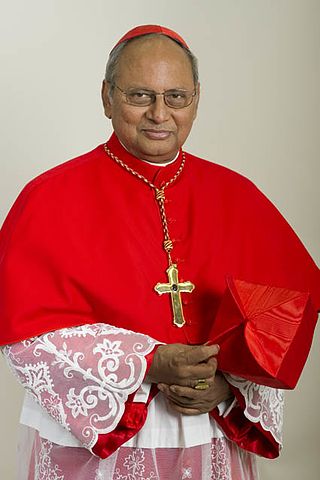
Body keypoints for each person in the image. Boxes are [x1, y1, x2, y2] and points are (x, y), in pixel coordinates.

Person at [1, 25, 319, 480]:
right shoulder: (49, 198)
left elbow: (287, 310)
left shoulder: (237, 195)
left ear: (196, 100)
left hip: (205, 430)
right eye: (139, 96)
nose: (159, 114)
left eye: (176, 97)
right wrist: (148, 364)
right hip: (92, 445)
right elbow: (26, 337)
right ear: (107, 97)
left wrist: (228, 386)